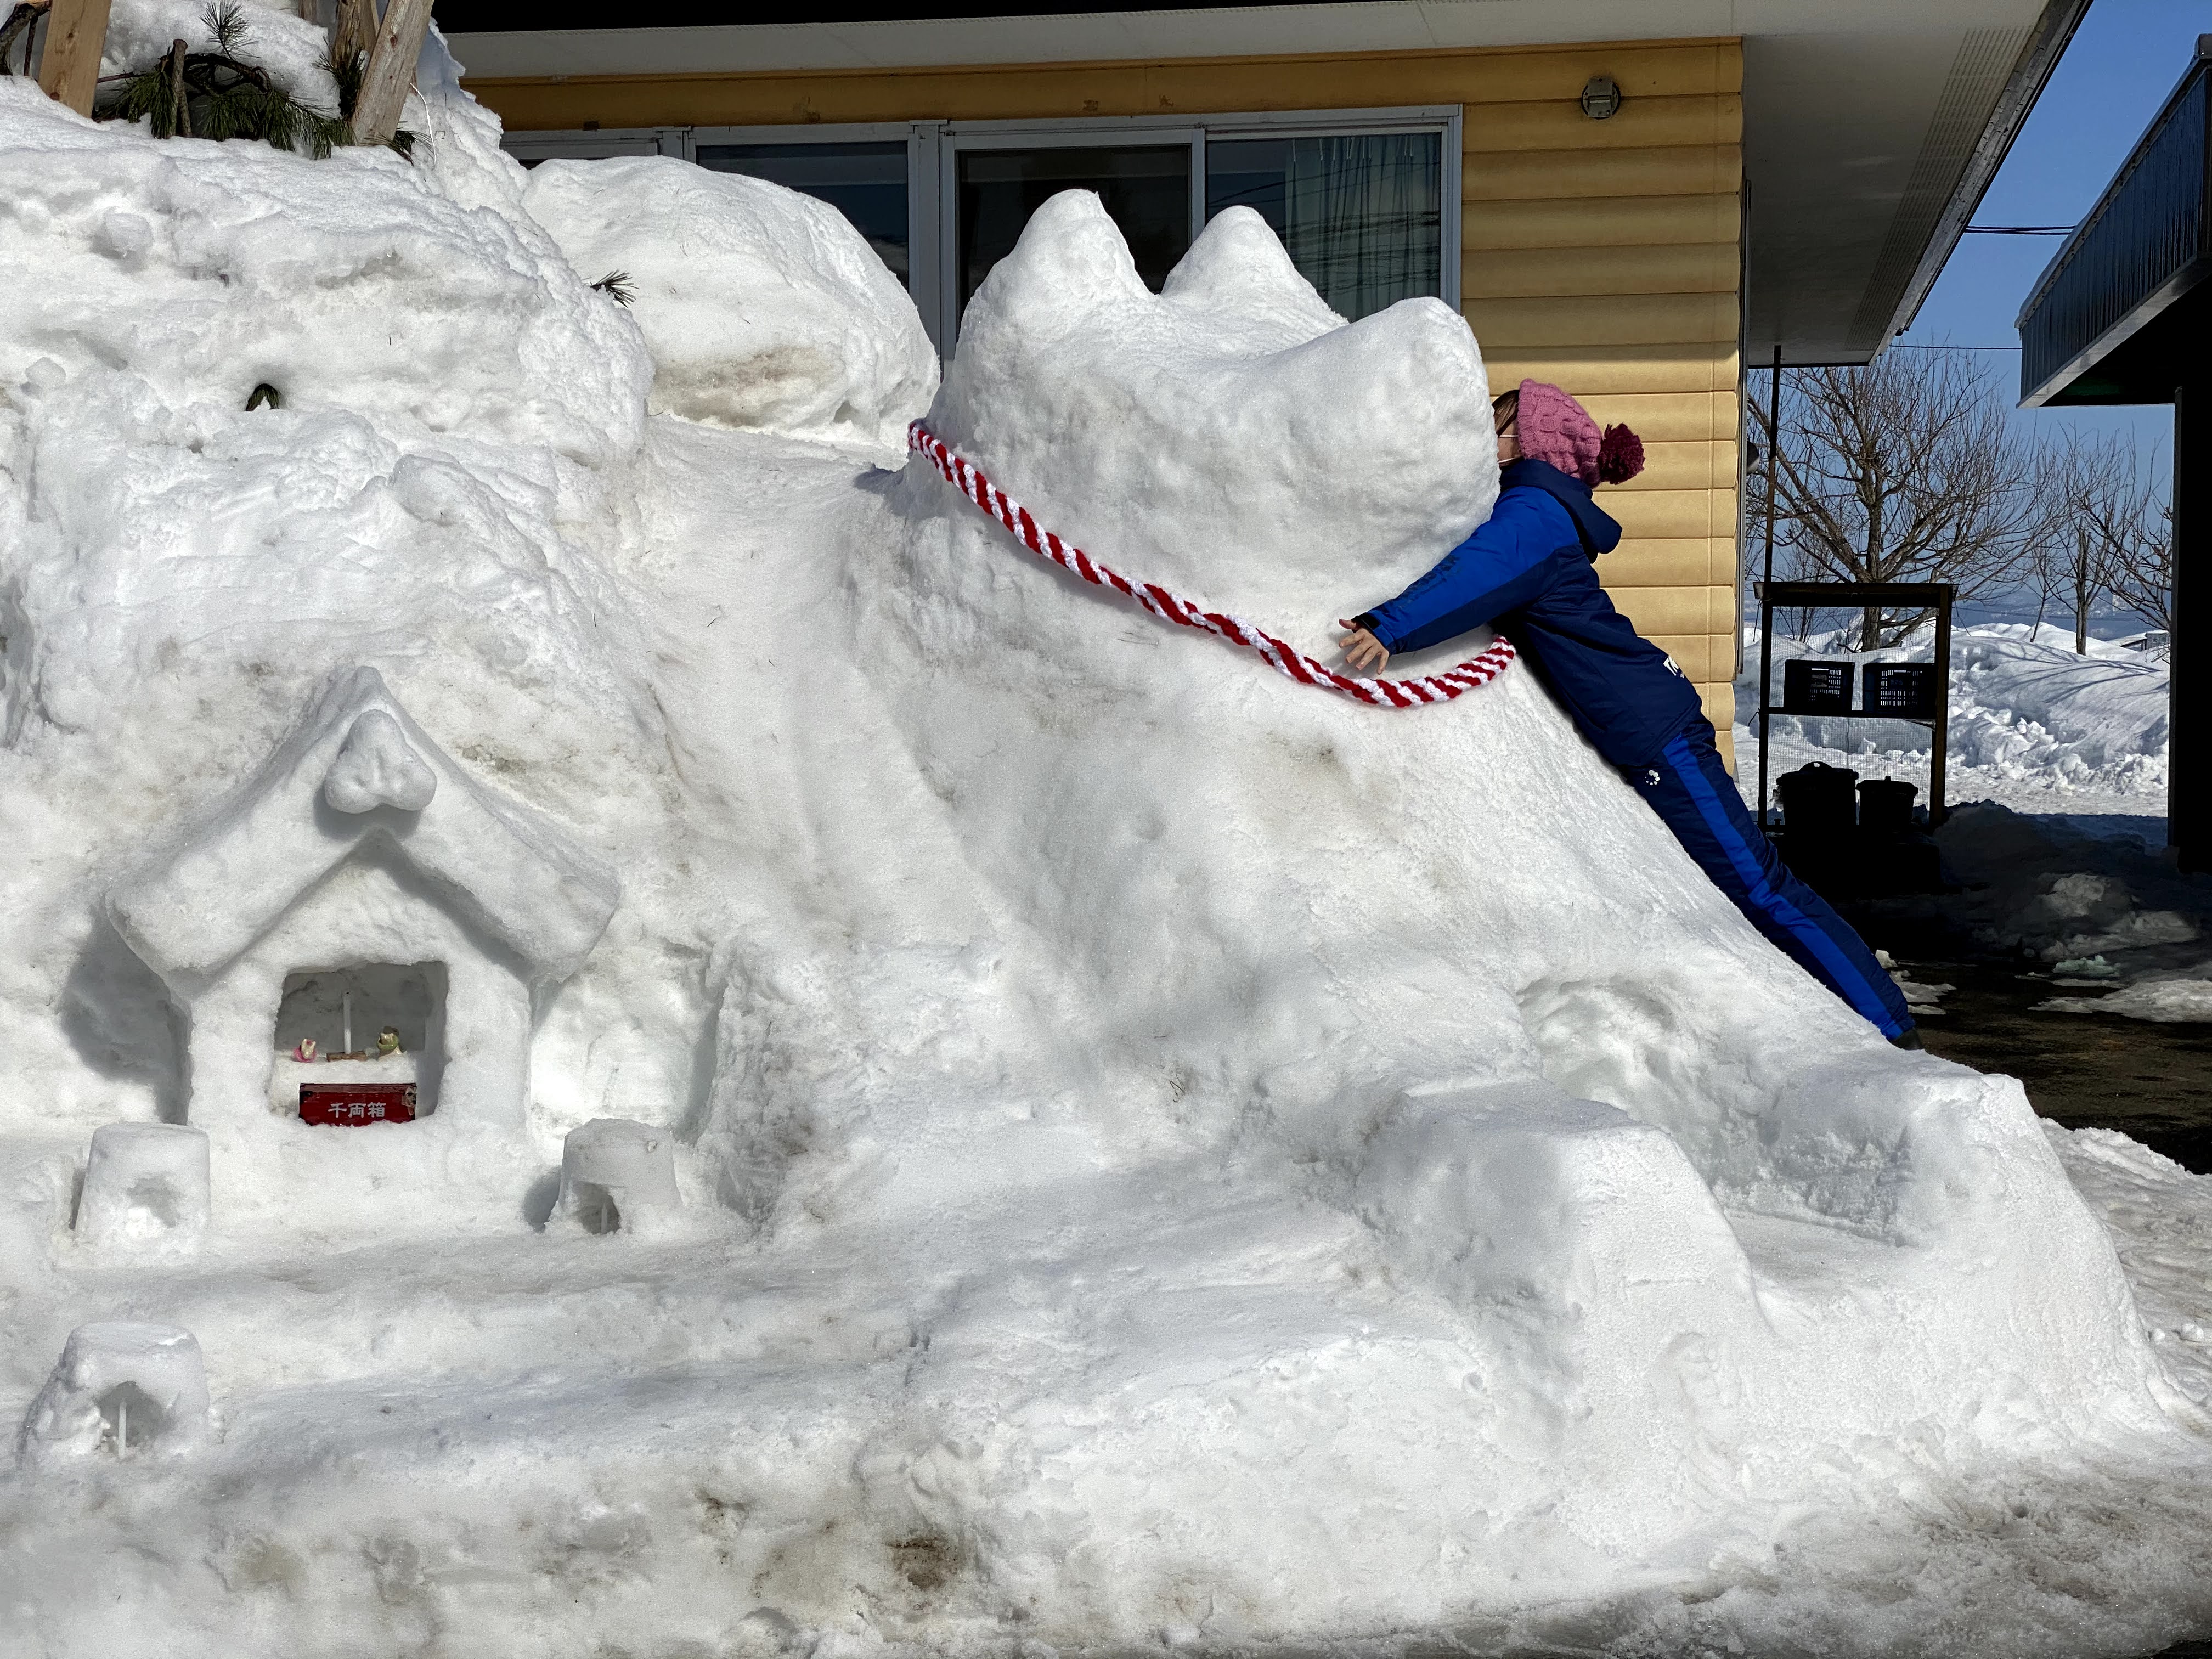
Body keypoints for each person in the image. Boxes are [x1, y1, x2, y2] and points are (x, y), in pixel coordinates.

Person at [1338, 380, 1917, 1046]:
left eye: (1491, 424)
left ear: (1525, 444)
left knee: (1760, 885)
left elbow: (1479, 572)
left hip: (1660, 735)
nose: (1479, 438)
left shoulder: (1535, 515)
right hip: (1652, 724)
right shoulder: (1540, 508)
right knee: (1748, 884)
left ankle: (1889, 1028)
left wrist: (1391, 626)